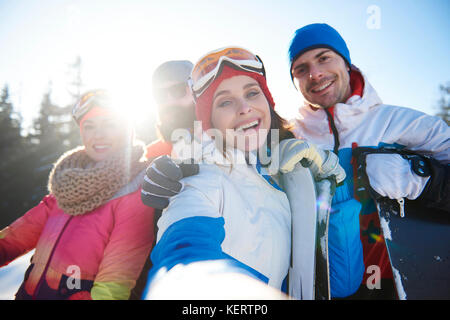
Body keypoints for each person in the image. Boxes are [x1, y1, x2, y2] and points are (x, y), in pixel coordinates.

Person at [142, 47, 345, 298]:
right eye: (225, 101)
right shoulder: (201, 175)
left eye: (252, 93)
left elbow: (336, 280)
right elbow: (183, 256)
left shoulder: (281, 169)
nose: (244, 107)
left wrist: (329, 185)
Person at [287, 23, 449, 299]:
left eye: (324, 58)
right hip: (321, 286)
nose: (314, 74)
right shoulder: (291, 139)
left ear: (346, 63)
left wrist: (420, 177)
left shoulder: (397, 122)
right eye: (300, 69)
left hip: (399, 283)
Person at [0, 90, 155, 300]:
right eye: (89, 126)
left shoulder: (136, 188)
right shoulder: (68, 185)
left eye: (109, 124)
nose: (98, 134)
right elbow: (14, 239)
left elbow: (116, 280)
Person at [145, 60, 196, 160]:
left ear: (197, 92)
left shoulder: (225, 146)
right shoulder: (151, 155)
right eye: (160, 94)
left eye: (178, 90)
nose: (169, 101)